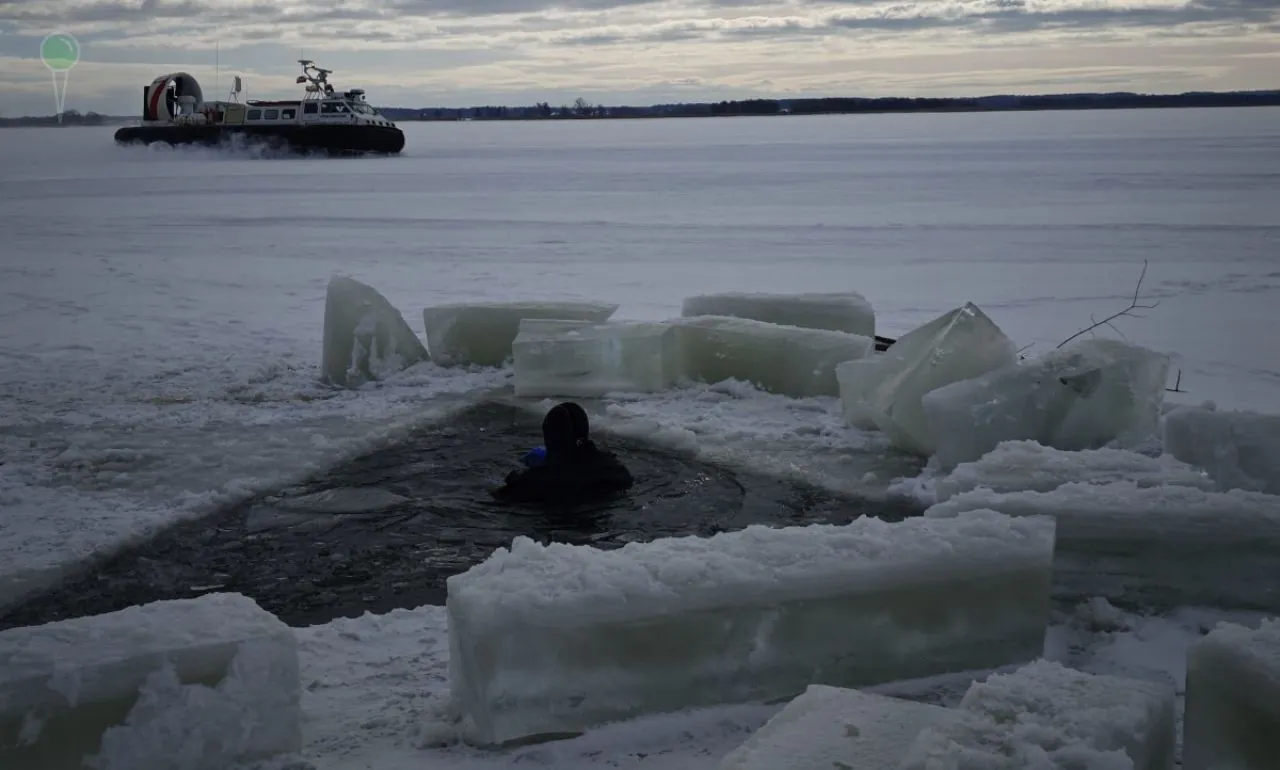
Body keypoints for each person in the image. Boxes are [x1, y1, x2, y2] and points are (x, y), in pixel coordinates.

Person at [492, 402, 633, 504]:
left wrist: (520, 478)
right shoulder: (615, 470)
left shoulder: (532, 483)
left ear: (550, 438)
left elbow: (501, 497)